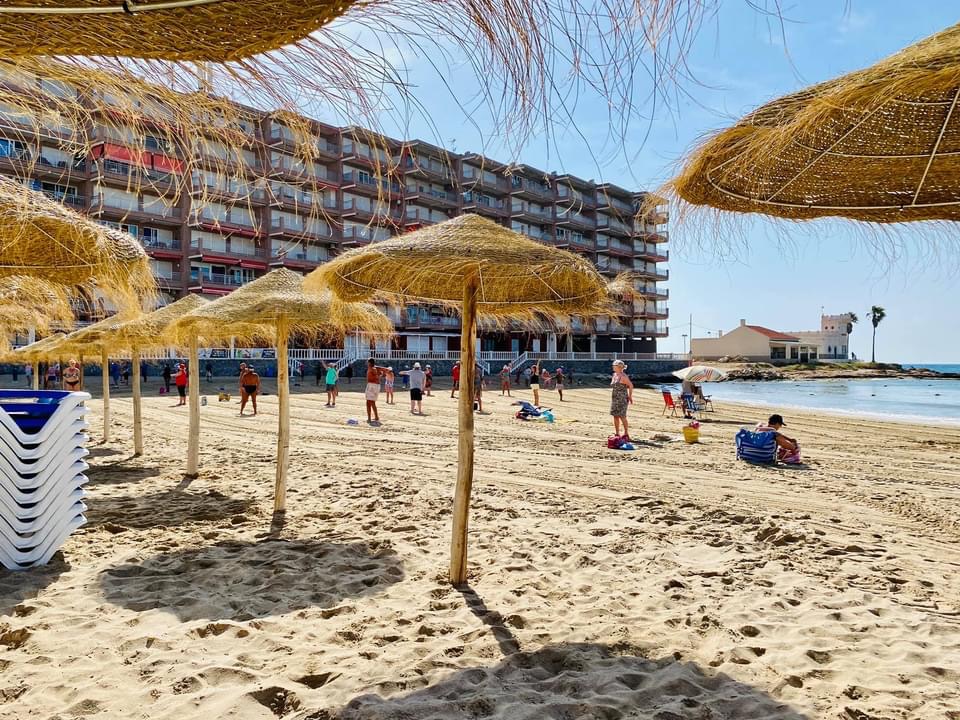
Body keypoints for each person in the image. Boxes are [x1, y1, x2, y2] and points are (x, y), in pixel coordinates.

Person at [610, 359, 634, 439]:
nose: (613, 366)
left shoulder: (623, 376)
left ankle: (626, 433)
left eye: (614, 365)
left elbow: (631, 385)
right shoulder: (614, 375)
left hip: (622, 398)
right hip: (615, 398)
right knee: (615, 416)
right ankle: (617, 433)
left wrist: (630, 396)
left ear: (619, 367)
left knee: (622, 416)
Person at [365, 357, 388, 424]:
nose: (367, 363)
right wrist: (383, 373)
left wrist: (381, 374)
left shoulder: (373, 368)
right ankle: (376, 417)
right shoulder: (375, 367)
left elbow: (377, 375)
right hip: (375, 385)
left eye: (367, 362)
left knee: (369, 402)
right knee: (372, 402)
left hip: (372, 385)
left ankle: (369, 418)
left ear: (369, 363)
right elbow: (384, 369)